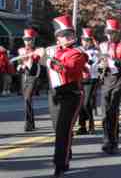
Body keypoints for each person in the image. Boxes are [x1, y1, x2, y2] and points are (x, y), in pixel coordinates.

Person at [43, 15, 88, 178]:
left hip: (71, 94)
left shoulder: (78, 52)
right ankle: (66, 153)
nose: (67, 37)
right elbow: (38, 66)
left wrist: (47, 59)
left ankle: (60, 164)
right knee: (58, 129)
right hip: (54, 94)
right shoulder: (52, 50)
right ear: (57, 38)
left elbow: (66, 68)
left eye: (69, 33)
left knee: (63, 130)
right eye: (63, 34)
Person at [99, 19, 121, 154]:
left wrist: (113, 60)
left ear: (117, 33)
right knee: (104, 113)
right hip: (105, 79)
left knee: (112, 111)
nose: (110, 36)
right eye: (108, 33)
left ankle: (113, 142)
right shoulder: (102, 46)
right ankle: (106, 139)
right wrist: (100, 64)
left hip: (118, 80)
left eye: (112, 33)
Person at [76, 28, 100, 135]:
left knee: (87, 103)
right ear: (81, 40)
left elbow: (92, 65)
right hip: (80, 79)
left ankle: (91, 124)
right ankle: (82, 126)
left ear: (91, 41)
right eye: (84, 40)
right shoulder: (78, 50)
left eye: (88, 40)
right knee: (80, 104)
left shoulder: (95, 52)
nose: (86, 42)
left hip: (91, 79)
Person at [17, 29, 41, 132]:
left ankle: (28, 124)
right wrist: (20, 66)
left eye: (30, 39)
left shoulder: (37, 50)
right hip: (24, 75)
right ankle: (31, 122)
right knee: (27, 100)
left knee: (27, 98)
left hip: (33, 75)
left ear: (33, 40)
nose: (28, 41)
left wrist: (32, 56)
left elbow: (38, 62)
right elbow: (18, 63)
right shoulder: (21, 50)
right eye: (26, 39)